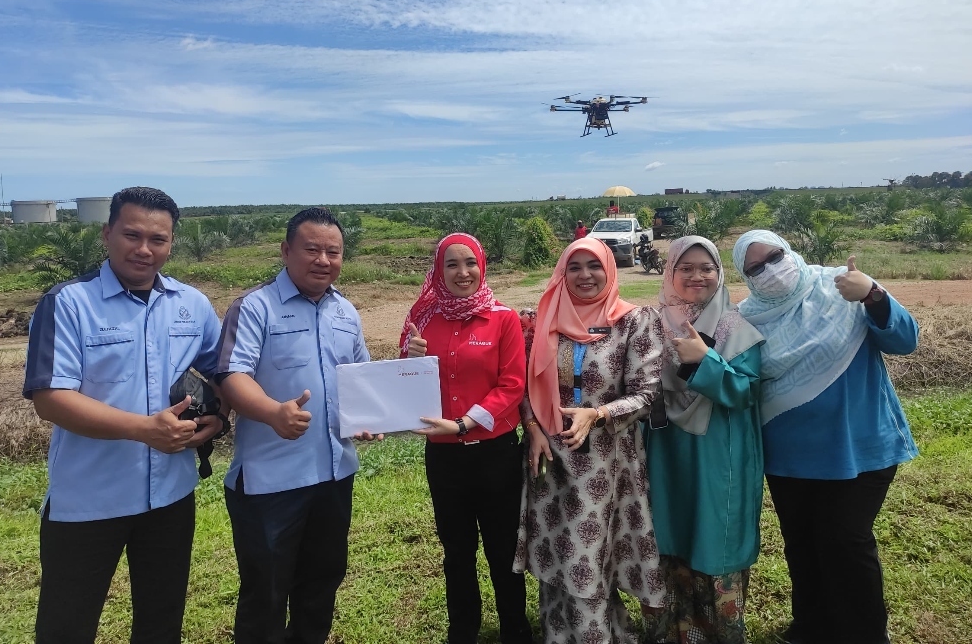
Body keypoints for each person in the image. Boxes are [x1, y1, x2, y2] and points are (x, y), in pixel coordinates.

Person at [23, 186, 224, 644]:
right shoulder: (69, 303)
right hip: (89, 498)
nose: (145, 249)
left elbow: (222, 375)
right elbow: (50, 399)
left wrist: (220, 416)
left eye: (159, 239)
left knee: (161, 619)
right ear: (106, 233)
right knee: (67, 625)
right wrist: (145, 430)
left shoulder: (191, 304)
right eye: (132, 235)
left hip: (171, 497)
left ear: (172, 242)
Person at [731, 230, 919, 644]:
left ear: (790, 251)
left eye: (775, 257)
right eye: (755, 268)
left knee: (846, 542)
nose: (770, 271)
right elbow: (738, 380)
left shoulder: (841, 287)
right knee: (802, 545)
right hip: (788, 455)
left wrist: (873, 293)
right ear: (745, 278)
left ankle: (865, 634)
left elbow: (905, 341)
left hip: (859, 446)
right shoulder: (747, 317)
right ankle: (811, 627)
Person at [216, 207, 372, 644]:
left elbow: (361, 378)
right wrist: (271, 412)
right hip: (271, 483)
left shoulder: (346, 312)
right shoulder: (254, 307)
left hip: (334, 475)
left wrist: (373, 418)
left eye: (333, 252)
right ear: (286, 251)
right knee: (265, 594)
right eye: (312, 249)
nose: (323, 260)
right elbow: (231, 376)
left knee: (321, 585)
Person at [515, 237, 665, 644]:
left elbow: (647, 392)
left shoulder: (634, 321)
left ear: (610, 270)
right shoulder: (543, 319)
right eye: (574, 267)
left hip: (606, 460)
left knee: (589, 557)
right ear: (562, 272)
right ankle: (561, 634)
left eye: (594, 266)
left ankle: (595, 635)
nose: (584, 275)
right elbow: (524, 387)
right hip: (549, 457)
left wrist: (598, 414)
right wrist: (532, 432)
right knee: (560, 556)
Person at [401, 233, 533, 644]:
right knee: (456, 551)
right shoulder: (422, 320)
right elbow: (407, 385)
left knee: (502, 549)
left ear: (482, 266)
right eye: (452, 265)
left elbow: (512, 385)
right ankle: (463, 630)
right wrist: (410, 357)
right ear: (438, 272)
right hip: (443, 459)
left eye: (470, 263)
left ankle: (515, 629)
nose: (463, 273)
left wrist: (463, 424)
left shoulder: (503, 318)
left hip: (495, 455)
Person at [642, 236, 765, 644]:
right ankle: (669, 634)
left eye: (706, 268)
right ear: (670, 272)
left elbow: (745, 393)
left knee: (712, 532)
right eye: (686, 268)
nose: (697, 276)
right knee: (666, 531)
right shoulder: (649, 323)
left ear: (720, 273)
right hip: (663, 449)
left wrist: (704, 360)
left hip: (717, 450)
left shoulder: (735, 328)